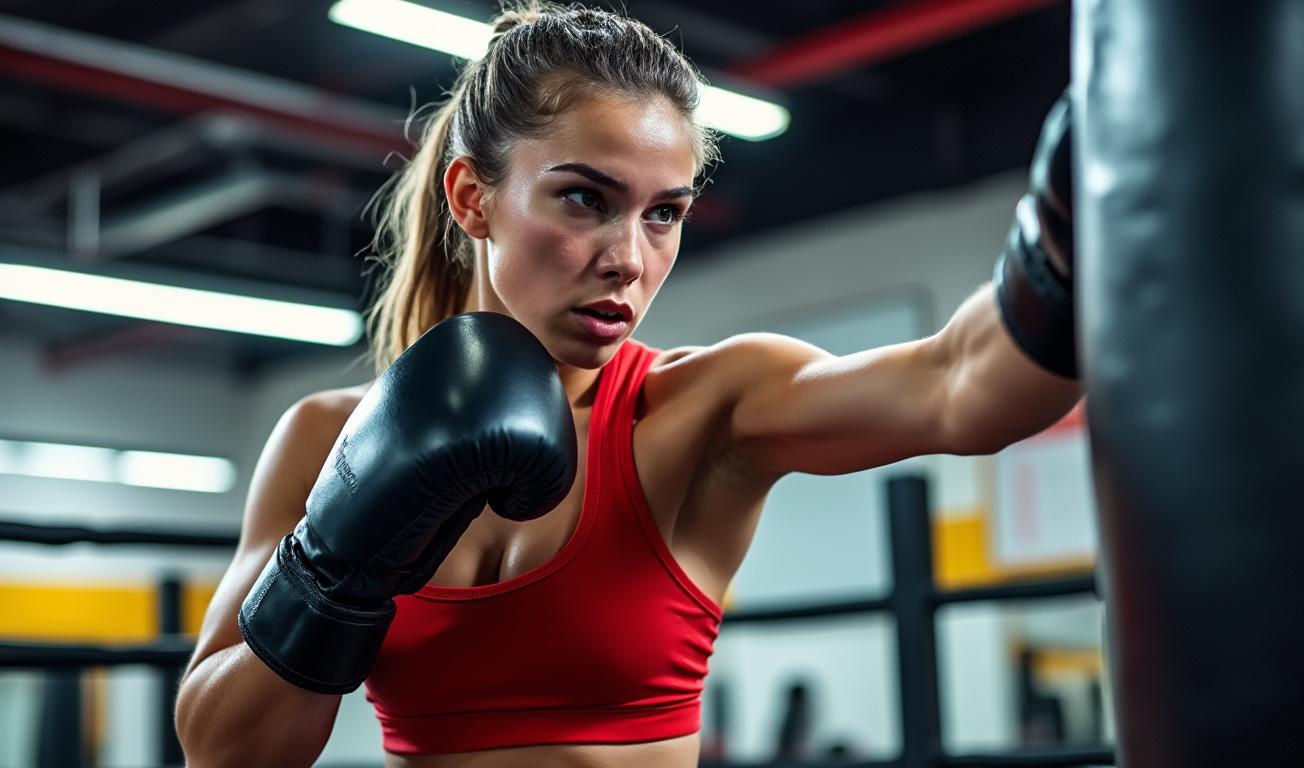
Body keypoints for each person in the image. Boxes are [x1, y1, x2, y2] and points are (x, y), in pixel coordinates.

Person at [174, 4, 1080, 767]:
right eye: (584, 199)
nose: (629, 260)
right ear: (471, 197)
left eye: (665, 215)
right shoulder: (325, 439)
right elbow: (223, 748)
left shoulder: (707, 408)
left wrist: (1076, 227)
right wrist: (338, 567)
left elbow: (963, 385)